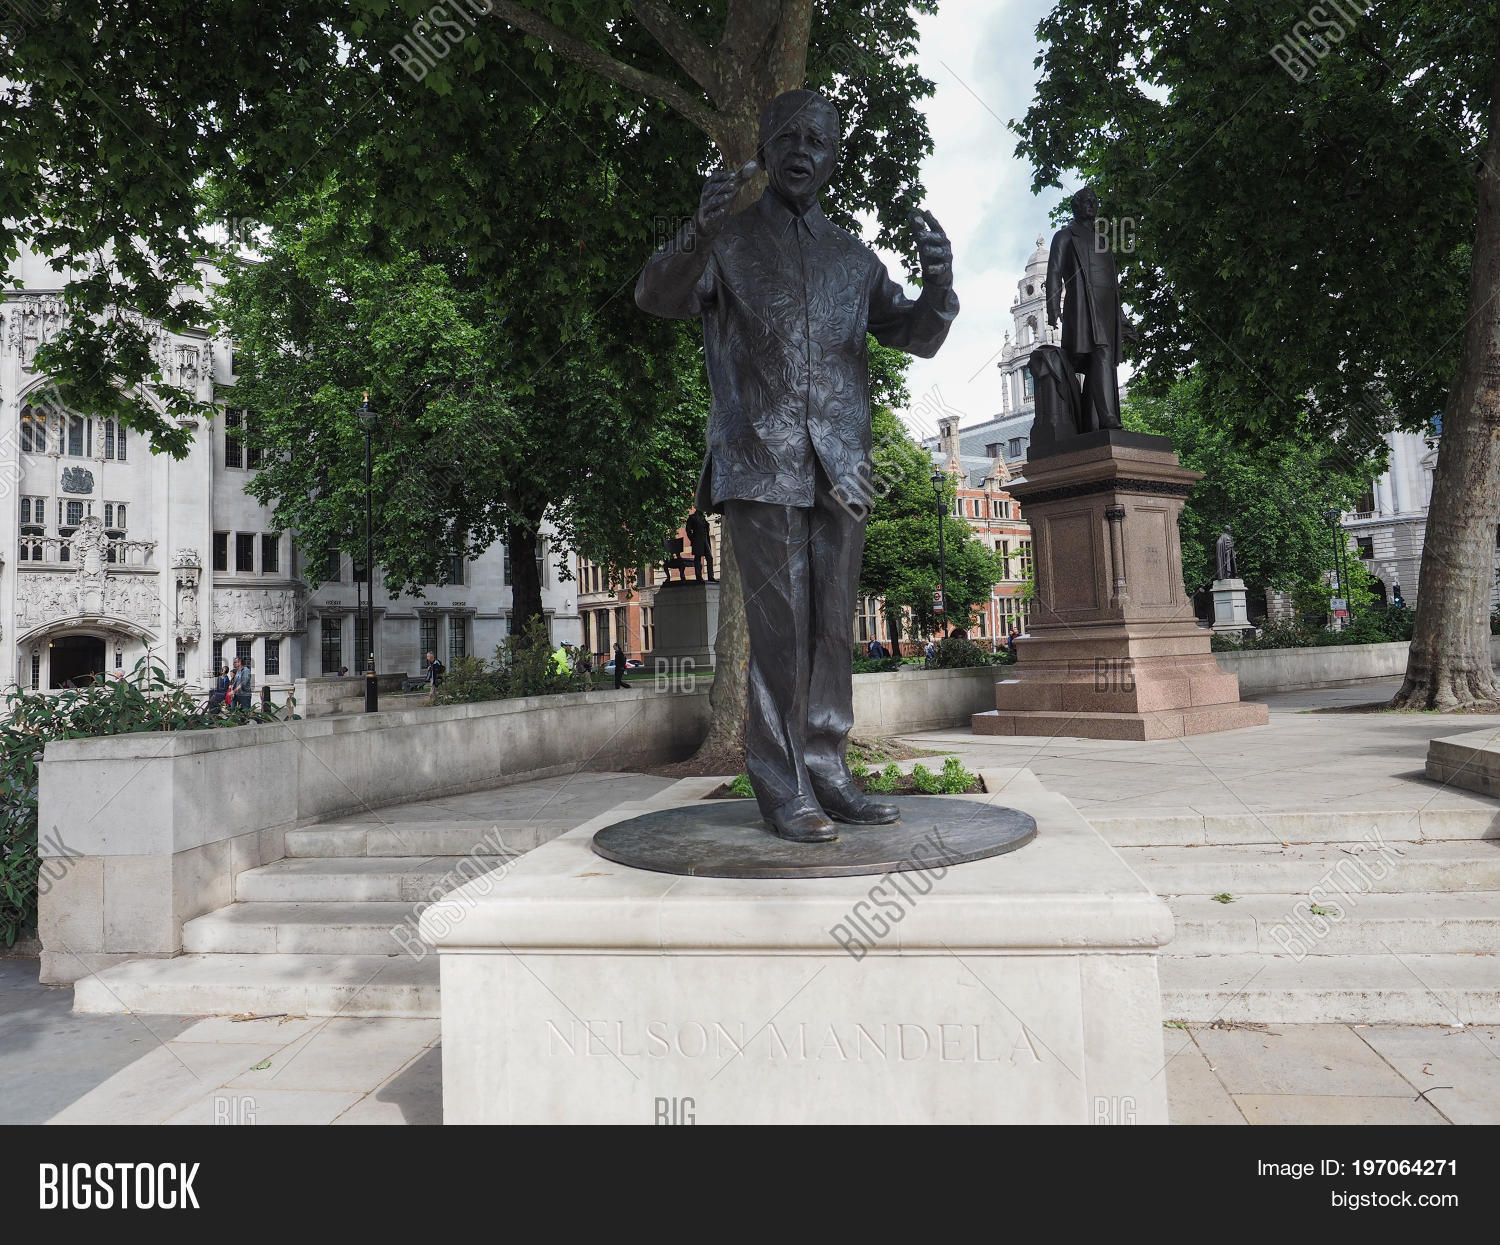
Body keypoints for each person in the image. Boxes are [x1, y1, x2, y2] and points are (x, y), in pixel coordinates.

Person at [637, 88, 957, 843]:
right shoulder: (728, 240)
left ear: (835, 154)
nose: (803, 149)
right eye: (788, 136)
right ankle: (782, 786)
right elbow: (656, 293)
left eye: (819, 138)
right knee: (779, 633)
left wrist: (939, 285)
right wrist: (699, 225)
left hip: (841, 466)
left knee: (832, 631)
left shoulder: (854, 258)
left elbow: (915, 335)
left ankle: (828, 768)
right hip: (759, 459)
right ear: (766, 146)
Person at [1045, 186, 1136, 432]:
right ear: (1075, 206)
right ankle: (1107, 419)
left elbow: (1112, 284)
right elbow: (1053, 273)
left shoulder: (1103, 241)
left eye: (1094, 201)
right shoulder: (1064, 236)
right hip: (1082, 308)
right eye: (1085, 201)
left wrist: (1122, 319)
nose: (1091, 205)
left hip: (1106, 310)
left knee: (1103, 361)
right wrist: (1052, 308)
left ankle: (1093, 421)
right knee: (1099, 356)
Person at [685, 509, 715, 582]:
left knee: (710, 558)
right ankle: (699, 577)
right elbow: (688, 530)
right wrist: (693, 539)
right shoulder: (692, 517)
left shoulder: (703, 518)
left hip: (705, 540)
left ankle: (711, 577)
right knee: (698, 558)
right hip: (697, 541)